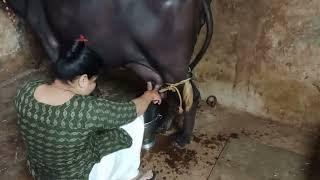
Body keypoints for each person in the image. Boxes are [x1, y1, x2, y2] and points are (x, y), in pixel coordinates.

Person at [14, 37, 161, 180]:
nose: (95, 85)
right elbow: (133, 110)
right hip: (77, 176)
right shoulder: (85, 110)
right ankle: (129, 175)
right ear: (83, 80)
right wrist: (148, 96)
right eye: (94, 81)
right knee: (134, 123)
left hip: (41, 173)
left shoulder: (26, 90)